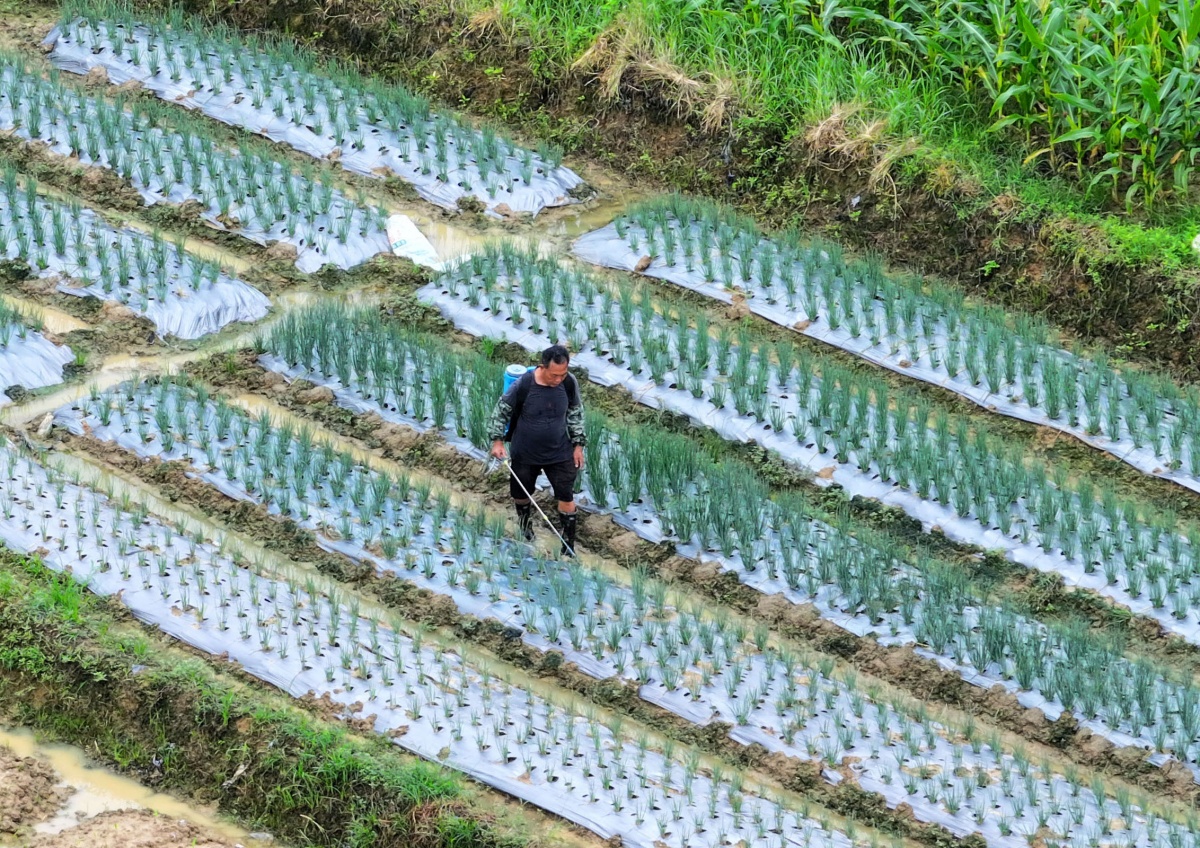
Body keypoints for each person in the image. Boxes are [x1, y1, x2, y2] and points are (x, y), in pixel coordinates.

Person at [488, 344, 586, 556]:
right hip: (525, 450)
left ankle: (568, 545)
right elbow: (501, 411)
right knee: (521, 493)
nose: (558, 379)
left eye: (563, 374)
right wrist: (497, 441)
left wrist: (578, 445)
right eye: (554, 375)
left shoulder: (569, 383)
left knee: (566, 495)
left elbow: (575, 414)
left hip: (559, 450)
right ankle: (525, 528)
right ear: (542, 367)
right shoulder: (524, 384)